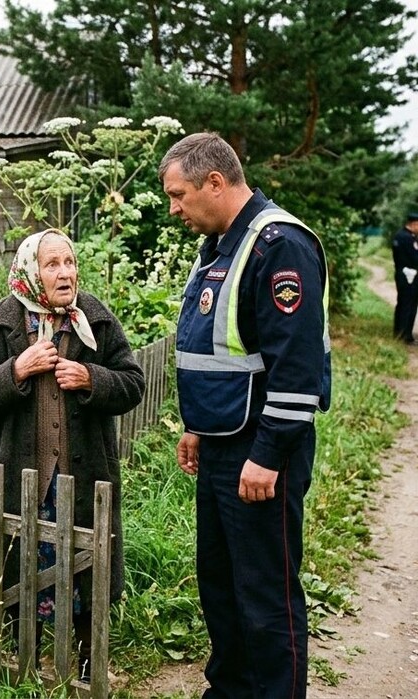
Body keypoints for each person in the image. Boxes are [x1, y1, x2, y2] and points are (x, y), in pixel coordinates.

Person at [159, 132, 331, 699]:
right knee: (222, 585)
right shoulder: (220, 245)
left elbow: (297, 370)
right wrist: (197, 426)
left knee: (265, 594)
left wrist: (268, 454)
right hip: (220, 444)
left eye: (179, 195)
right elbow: (219, 349)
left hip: (261, 452)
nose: (174, 209)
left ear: (215, 182)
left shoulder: (278, 246)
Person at [0, 229, 145, 682]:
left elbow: (133, 384)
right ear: (30, 273)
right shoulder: (2, 323)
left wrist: (91, 378)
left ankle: (86, 665)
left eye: (70, 262)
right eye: (53, 265)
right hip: (22, 483)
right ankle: (20, 664)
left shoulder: (95, 320)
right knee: (20, 563)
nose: (65, 273)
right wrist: (16, 370)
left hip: (83, 479)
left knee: (85, 570)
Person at [391, 211, 418, 344]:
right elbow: (415, 258)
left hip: (400, 273)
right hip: (410, 275)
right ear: (414, 224)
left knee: (402, 303)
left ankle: (398, 332)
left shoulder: (399, 235)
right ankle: (406, 335)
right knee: (409, 304)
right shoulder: (408, 238)